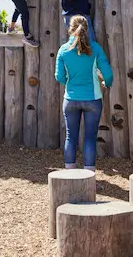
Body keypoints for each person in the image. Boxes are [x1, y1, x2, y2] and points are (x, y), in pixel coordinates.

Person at [55, 16, 113, 171]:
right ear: (87, 29)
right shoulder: (95, 48)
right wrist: (106, 83)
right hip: (92, 99)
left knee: (70, 137)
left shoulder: (63, 50)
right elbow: (107, 73)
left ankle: (70, 176)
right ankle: (89, 177)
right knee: (89, 139)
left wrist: (70, 83)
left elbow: (59, 76)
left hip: (71, 98)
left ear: (70, 28)